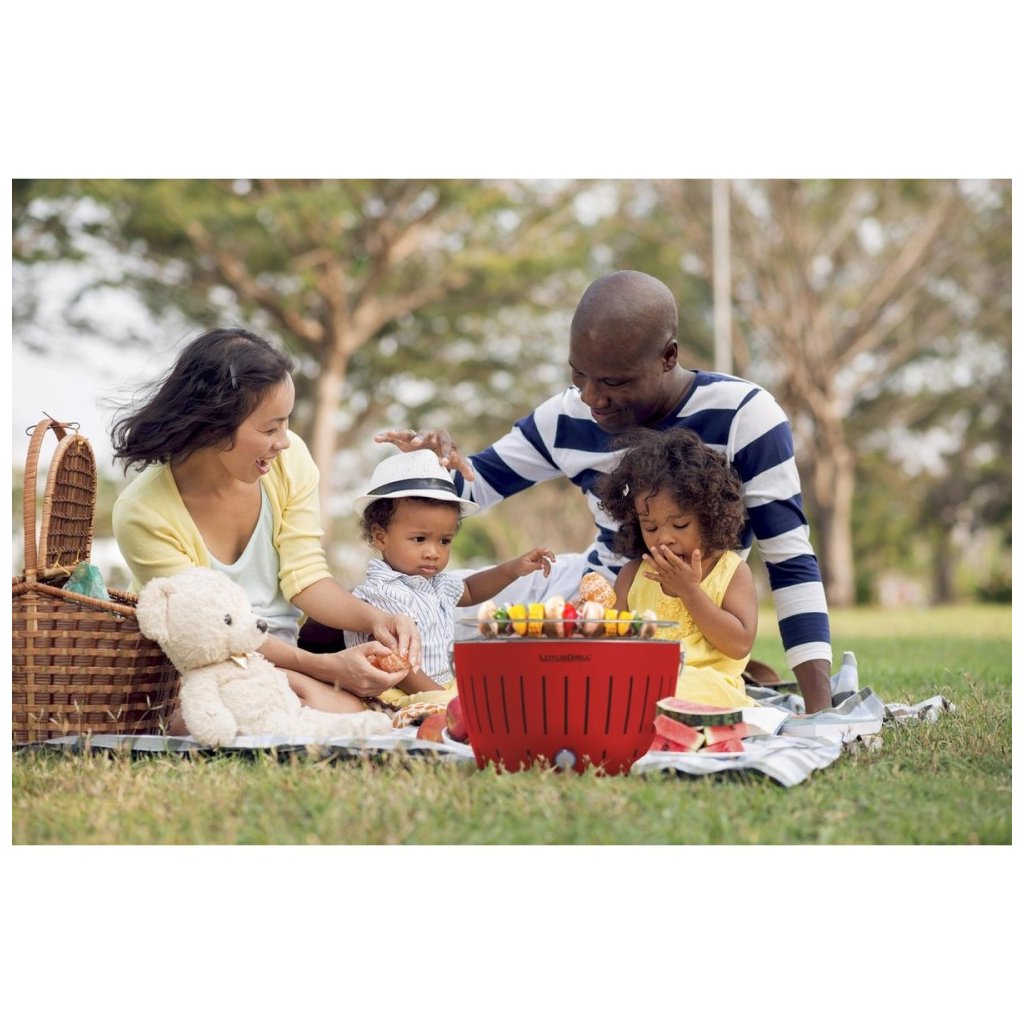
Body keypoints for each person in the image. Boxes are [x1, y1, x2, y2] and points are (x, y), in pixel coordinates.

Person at [376, 269, 834, 713]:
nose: (592, 398)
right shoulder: (565, 417)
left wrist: (820, 711)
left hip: (692, 605)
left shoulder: (745, 417)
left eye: (614, 382)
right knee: (409, 617)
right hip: (590, 587)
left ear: (668, 356)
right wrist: (430, 465)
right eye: (579, 375)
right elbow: (470, 492)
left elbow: (789, 560)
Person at [110, 327, 422, 730]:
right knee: (271, 705)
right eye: (270, 428)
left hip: (286, 663)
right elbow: (209, 627)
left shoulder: (288, 465)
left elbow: (306, 578)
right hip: (206, 668)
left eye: (285, 425)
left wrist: (375, 619)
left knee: (317, 703)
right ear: (213, 425)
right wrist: (323, 668)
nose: (284, 442)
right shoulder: (142, 511)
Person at [343, 448, 555, 706]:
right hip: (394, 691)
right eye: (419, 539)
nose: (433, 552)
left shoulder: (436, 584)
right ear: (380, 537)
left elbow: (471, 590)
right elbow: (397, 663)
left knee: (499, 691)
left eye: (444, 541)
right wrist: (445, 700)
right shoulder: (379, 593)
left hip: (439, 687)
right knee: (473, 708)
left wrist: (512, 569)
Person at [596, 426, 758, 709]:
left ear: (709, 517)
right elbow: (612, 642)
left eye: (680, 525)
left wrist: (690, 591)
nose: (664, 538)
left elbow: (739, 644)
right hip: (641, 683)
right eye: (651, 527)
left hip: (709, 688)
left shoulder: (730, 571)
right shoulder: (632, 575)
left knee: (669, 687)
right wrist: (588, 622)